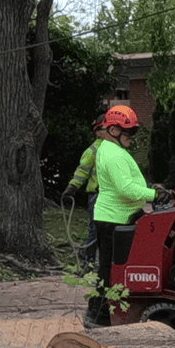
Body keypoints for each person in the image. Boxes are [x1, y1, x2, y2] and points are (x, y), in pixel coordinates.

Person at [84, 104, 163, 328]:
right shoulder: (114, 155)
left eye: (133, 131)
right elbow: (125, 189)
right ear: (113, 131)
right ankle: (98, 317)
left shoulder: (112, 151)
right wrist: (154, 195)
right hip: (114, 219)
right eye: (128, 131)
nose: (132, 136)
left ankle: (97, 313)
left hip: (115, 216)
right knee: (110, 269)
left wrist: (149, 189)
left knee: (108, 267)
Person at [63, 114, 112, 267]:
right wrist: (72, 188)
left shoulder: (116, 150)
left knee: (111, 230)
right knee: (96, 229)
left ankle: (106, 262)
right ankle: (88, 261)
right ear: (97, 131)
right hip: (97, 196)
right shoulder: (92, 151)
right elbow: (82, 172)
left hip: (112, 197)